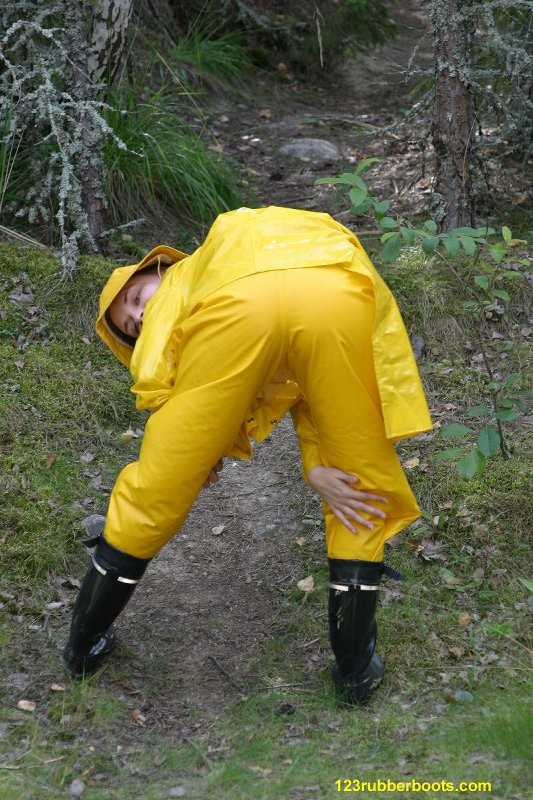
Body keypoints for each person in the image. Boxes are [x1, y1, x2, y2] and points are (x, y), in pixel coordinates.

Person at [63, 206, 432, 704]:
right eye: (131, 325)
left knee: (156, 489)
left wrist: (195, 450)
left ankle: (83, 644)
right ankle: (356, 670)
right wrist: (316, 466)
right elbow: (309, 383)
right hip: (334, 285)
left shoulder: (185, 287)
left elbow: (172, 394)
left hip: (240, 304)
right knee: (357, 475)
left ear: (156, 268)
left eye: (134, 299)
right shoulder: (225, 247)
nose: (141, 316)